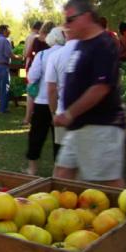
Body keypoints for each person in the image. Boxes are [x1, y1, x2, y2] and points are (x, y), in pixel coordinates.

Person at [53, 0, 125, 188]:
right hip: (78, 127)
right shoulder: (80, 45)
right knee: (61, 176)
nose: (66, 25)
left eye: (70, 19)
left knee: (107, 186)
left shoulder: (103, 44)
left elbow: (100, 87)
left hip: (100, 127)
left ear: (86, 16)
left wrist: (69, 113)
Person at [24, 26, 66, 175]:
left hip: (42, 102)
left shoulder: (42, 55)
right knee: (59, 139)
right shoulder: (69, 54)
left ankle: (32, 168)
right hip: (62, 104)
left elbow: (32, 77)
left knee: (36, 135)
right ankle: (57, 171)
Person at [46, 32, 79, 162]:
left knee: (62, 160)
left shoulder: (55, 56)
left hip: (63, 112)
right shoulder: (92, 52)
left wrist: (53, 113)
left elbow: (51, 90)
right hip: (87, 116)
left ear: (65, 34)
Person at [22, 21, 55, 125]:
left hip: (36, 65)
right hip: (50, 67)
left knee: (32, 91)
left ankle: (27, 117)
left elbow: (27, 53)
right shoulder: (56, 44)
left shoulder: (35, 40)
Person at [0, 24, 21, 114]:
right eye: (8, 30)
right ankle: (3, 109)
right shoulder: (5, 40)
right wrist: (19, 57)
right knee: (4, 88)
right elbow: (9, 54)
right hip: (2, 66)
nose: (10, 32)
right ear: (4, 31)